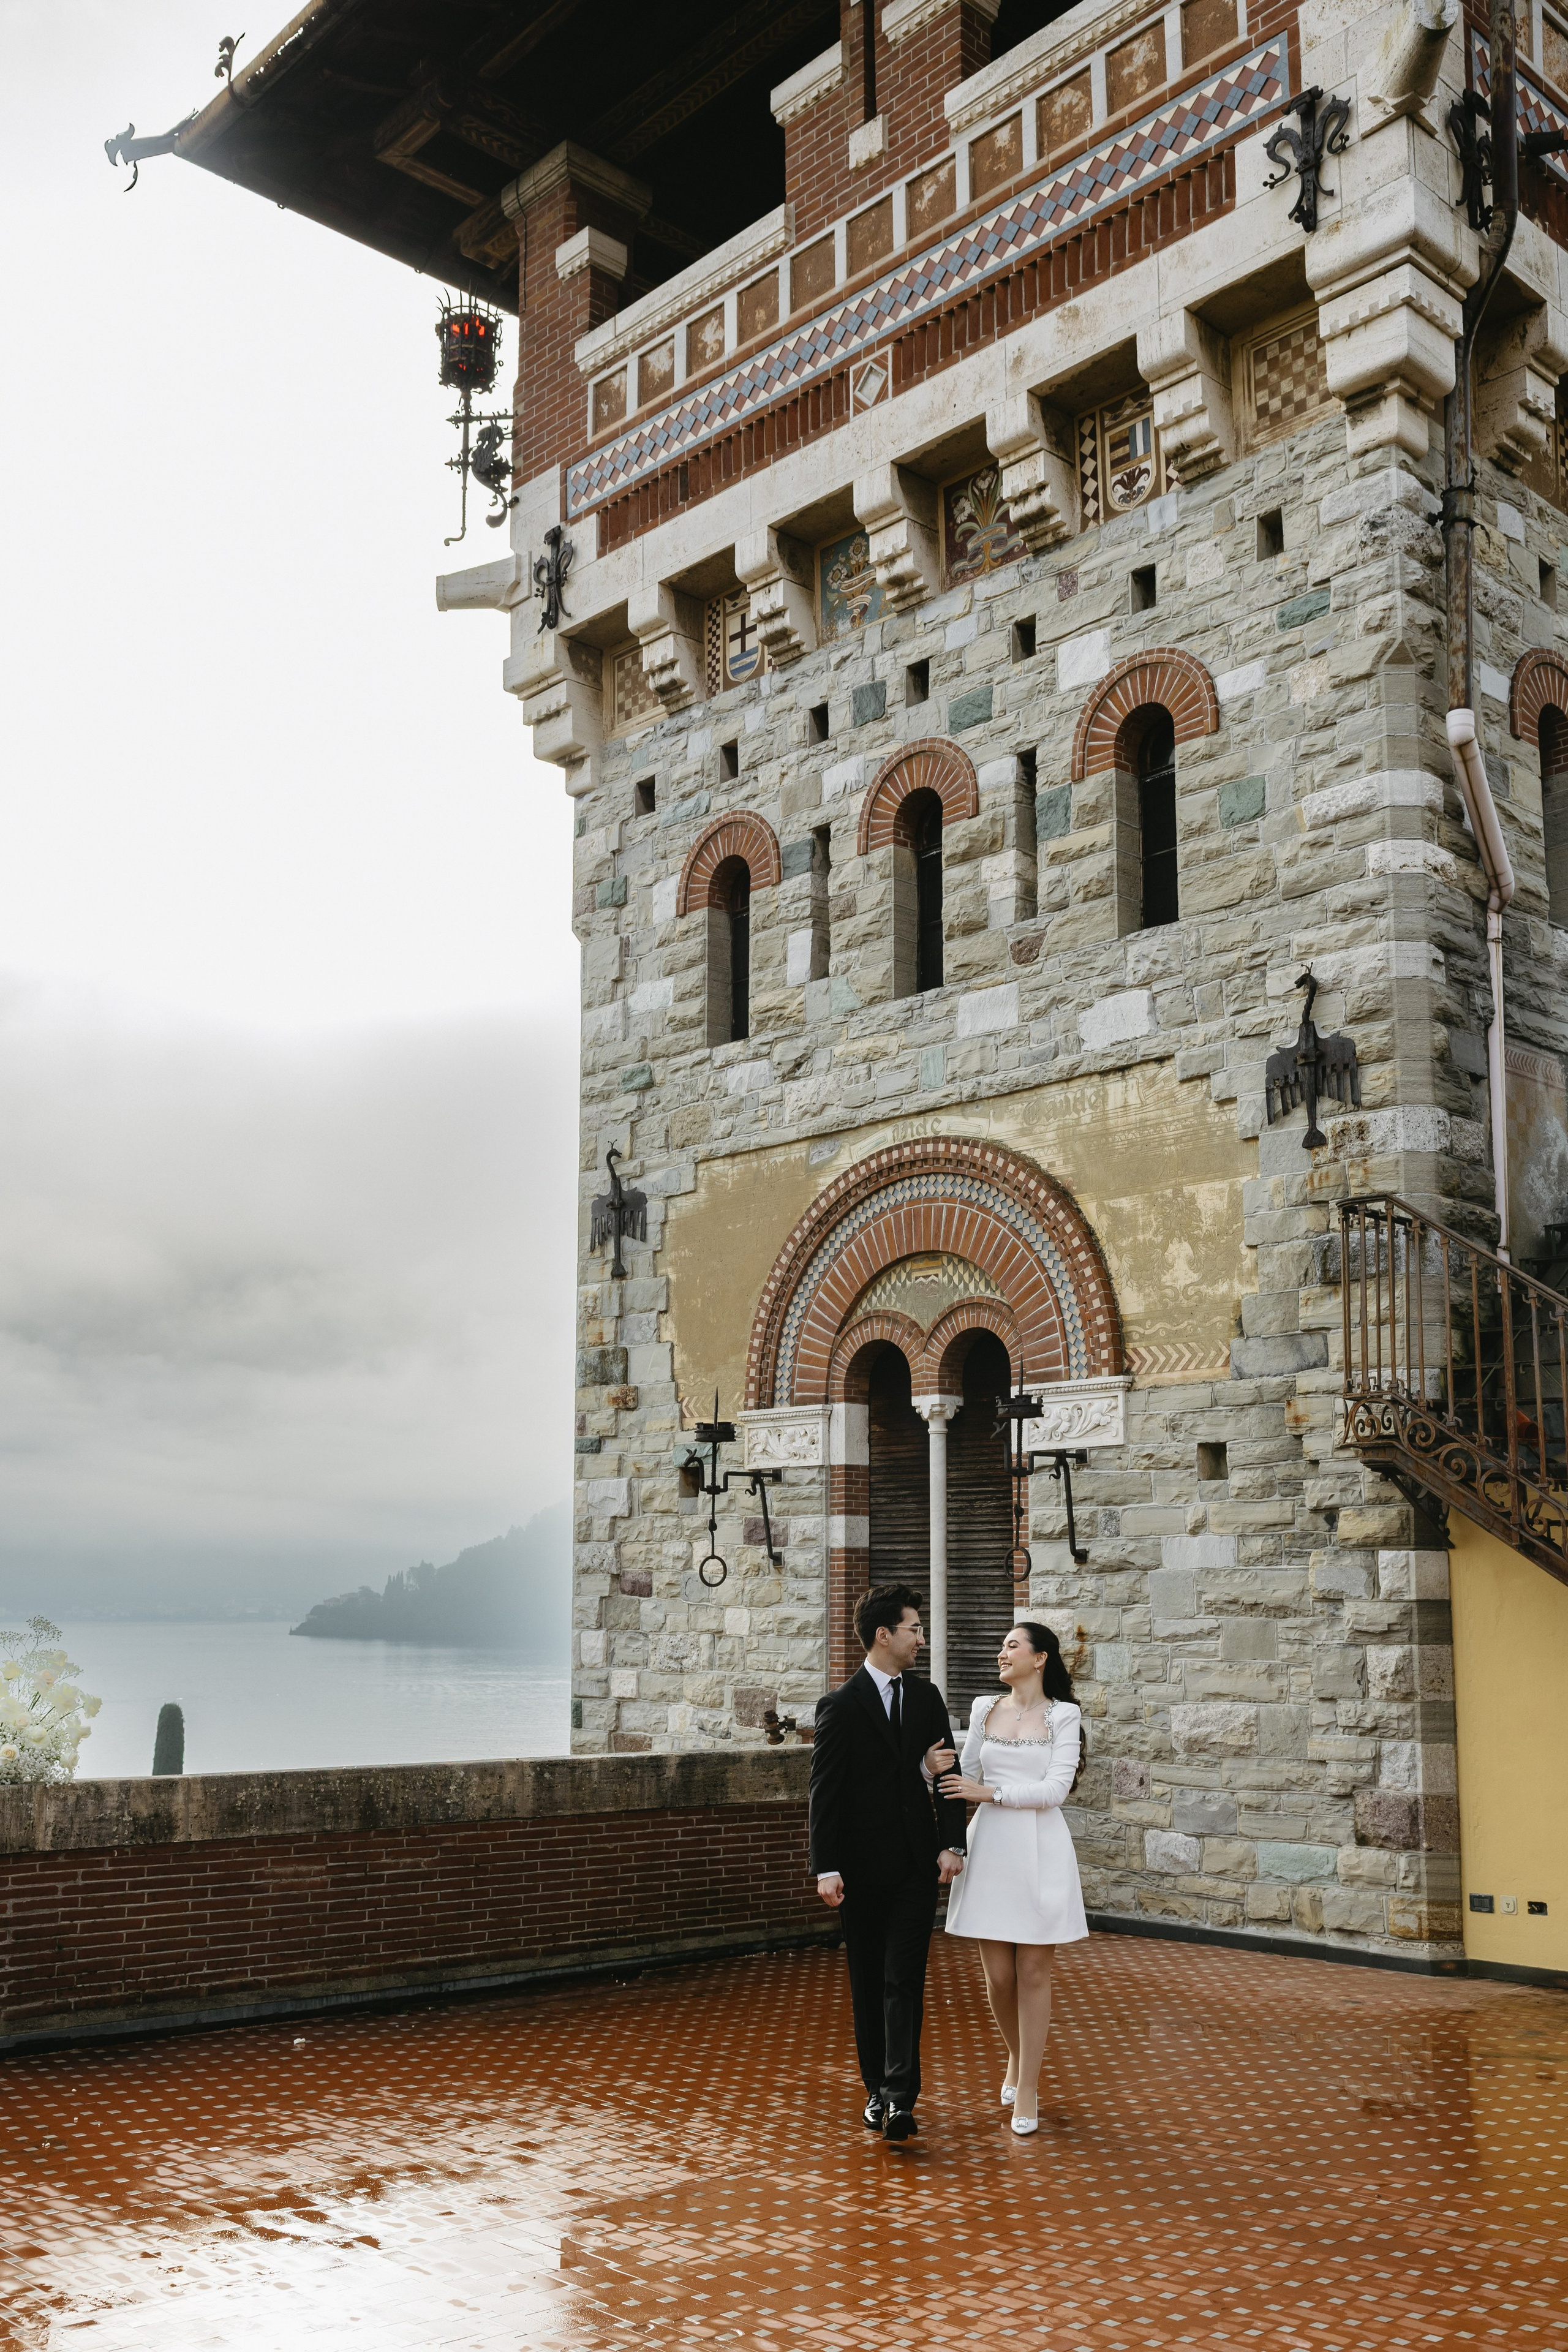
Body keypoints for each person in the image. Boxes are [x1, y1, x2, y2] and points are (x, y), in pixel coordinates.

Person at [808, 1583, 967, 2141]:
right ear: (884, 1635)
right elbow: (826, 1794)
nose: (922, 1639)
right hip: (859, 1870)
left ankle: (901, 2098)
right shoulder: (840, 1705)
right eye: (914, 1629)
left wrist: (954, 1843)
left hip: (915, 1868)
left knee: (905, 1980)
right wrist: (826, 1867)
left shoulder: (927, 1700)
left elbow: (949, 1776)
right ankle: (875, 2087)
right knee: (868, 1981)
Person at [940, 1620, 1087, 2136]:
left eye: (1012, 1645)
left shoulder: (1064, 1715)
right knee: (999, 1978)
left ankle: (1028, 2085)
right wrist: (930, 1771)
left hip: (1041, 1849)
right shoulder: (984, 1708)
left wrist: (992, 1795)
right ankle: (1016, 2056)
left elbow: (1055, 1790)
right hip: (991, 1848)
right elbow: (967, 1775)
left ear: (1040, 1657)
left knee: (1032, 1975)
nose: (1001, 1653)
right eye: (1001, 1646)